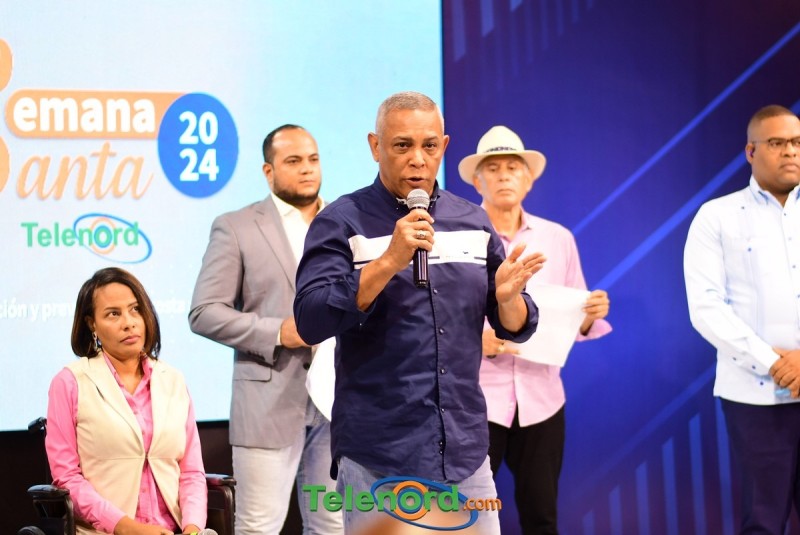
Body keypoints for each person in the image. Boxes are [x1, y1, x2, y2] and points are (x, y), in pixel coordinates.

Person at [293, 91, 545, 535]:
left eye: (429, 146)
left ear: (443, 147)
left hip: (465, 454)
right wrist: (389, 260)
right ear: (375, 147)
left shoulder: (472, 221)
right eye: (402, 145)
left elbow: (514, 325)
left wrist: (508, 299)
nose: (417, 159)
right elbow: (311, 320)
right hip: (380, 456)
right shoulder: (341, 221)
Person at [189, 124, 342, 535]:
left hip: (338, 403)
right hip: (267, 404)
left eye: (313, 159)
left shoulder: (344, 221)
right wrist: (278, 332)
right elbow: (204, 312)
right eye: (293, 161)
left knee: (333, 526)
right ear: (268, 171)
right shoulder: (236, 226)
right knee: (259, 527)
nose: (307, 169)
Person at [459, 125, 612, 535]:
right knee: (466, 520)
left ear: (528, 179)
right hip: (476, 401)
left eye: (513, 167)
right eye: (493, 168)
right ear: (477, 181)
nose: (504, 176)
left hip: (542, 399)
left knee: (541, 518)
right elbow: (437, 316)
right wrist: (473, 340)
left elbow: (575, 315)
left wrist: (590, 313)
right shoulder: (458, 237)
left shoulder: (557, 238)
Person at [684, 104, 800, 533]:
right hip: (756, 396)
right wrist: (776, 363)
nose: (791, 152)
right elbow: (706, 307)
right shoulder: (717, 216)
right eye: (777, 143)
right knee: (764, 521)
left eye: (797, 142)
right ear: (751, 151)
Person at [45, 267, 210, 535]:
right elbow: (67, 479)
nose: (129, 322)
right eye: (113, 314)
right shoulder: (70, 382)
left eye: (135, 310)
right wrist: (125, 527)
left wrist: (192, 529)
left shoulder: (173, 380)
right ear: (91, 324)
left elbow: (191, 473)